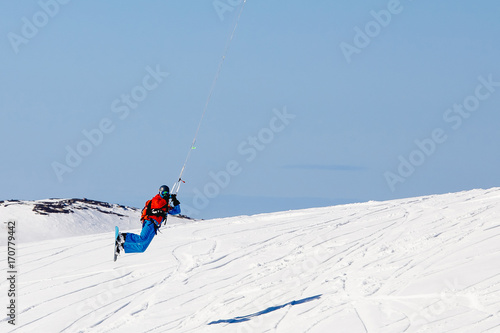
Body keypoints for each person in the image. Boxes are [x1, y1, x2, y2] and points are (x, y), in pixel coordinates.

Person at [115, 185, 180, 256]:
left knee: (142, 248)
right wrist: (167, 198)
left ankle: (122, 246)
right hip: (149, 222)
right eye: (163, 193)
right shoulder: (156, 199)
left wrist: (175, 201)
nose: (165, 195)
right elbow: (158, 205)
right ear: (160, 192)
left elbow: (177, 211)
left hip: (155, 227)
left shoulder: (165, 205)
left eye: (166, 193)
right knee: (142, 238)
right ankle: (122, 236)